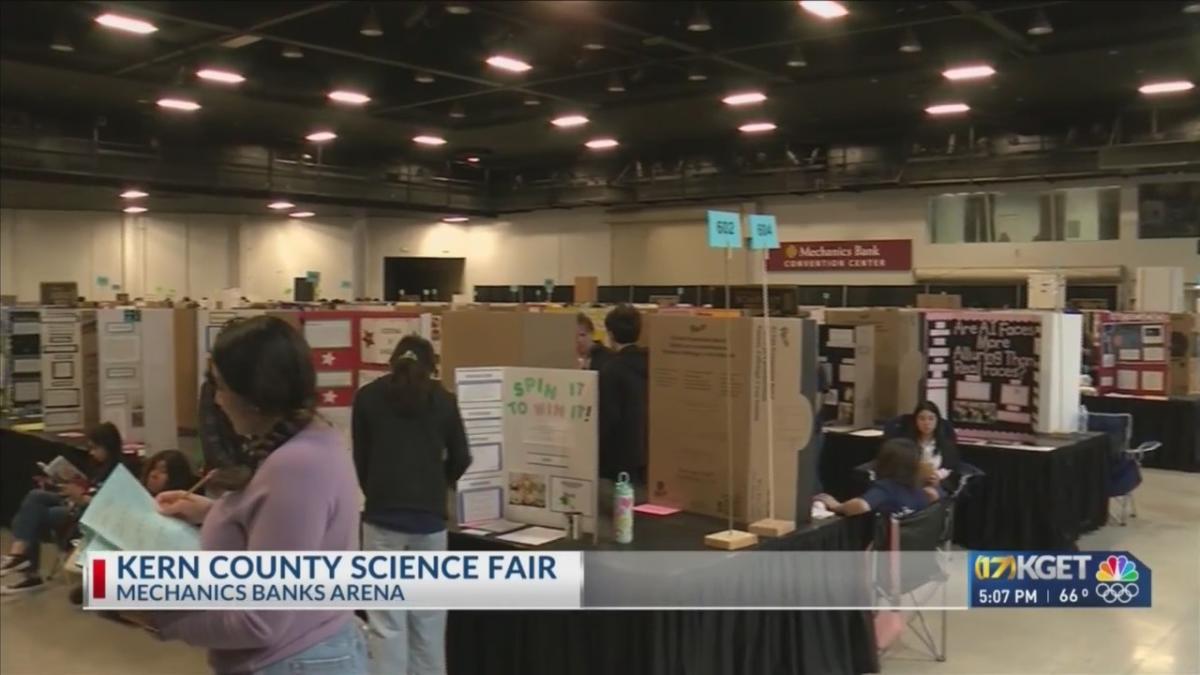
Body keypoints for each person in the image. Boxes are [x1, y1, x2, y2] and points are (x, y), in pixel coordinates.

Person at [149, 315, 367, 675]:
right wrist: (211, 511)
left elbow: (259, 621)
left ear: (252, 395)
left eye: (220, 386)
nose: (217, 400)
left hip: (293, 661)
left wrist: (161, 621)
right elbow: (283, 527)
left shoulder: (295, 466)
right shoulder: (308, 441)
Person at [352, 334, 470, 675]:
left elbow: (362, 459)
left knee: (386, 622)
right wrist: (438, 482)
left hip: (382, 517)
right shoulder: (445, 400)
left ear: (392, 362)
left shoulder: (368, 398)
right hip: (430, 520)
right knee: (429, 620)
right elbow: (462, 457)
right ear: (432, 367)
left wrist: (377, 489)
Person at [0, 422, 123, 594]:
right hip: (77, 503)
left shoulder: (119, 472)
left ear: (108, 446)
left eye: (95, 448)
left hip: (88, 514)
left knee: (30, 516)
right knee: (35, 499)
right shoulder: (99, 468)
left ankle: (25, 565)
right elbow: (88, 489)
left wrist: (80, 496)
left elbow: (108, 505)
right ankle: (20, 559)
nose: (92, 453)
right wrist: (58, 484)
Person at [67, 449, 196, 606]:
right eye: (154, 468)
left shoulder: (183, 508)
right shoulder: (137, 498)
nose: (154, 474)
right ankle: (100, 585)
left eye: (163, 471)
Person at [814, 438, 941, 517]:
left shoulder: (886, 489)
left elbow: (861, 506)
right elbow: (935, 497)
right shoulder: (922, 492)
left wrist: (837, 506)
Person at [598, 304, 649, 493]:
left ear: (610, 334)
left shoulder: (612, 370)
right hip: (648, 454)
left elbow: (608, 417)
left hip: (620, 458)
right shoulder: (654, 363)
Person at [893, 401, 961, 489]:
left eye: (931, 418)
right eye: (922, 418)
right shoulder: (906, 443)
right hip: (908, 485)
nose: (926, 423)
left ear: (937, 421)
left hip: (937, 487)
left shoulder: (946, 445)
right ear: (915, 421)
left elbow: (952, 472)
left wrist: (939, 481)